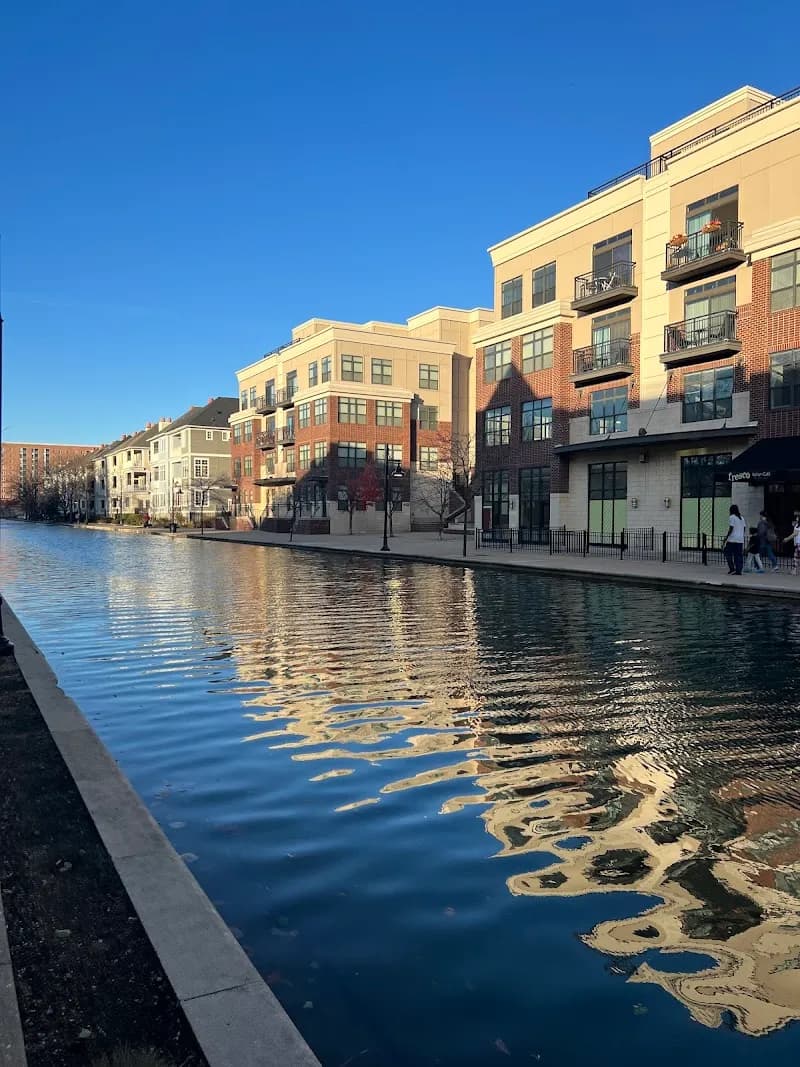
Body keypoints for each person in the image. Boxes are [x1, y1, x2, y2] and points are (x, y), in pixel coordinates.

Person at [722, 504, 746, 575]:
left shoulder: (732, 517)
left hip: (732, 539)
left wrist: (726, 537)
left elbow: (731, 528)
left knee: (727, 553)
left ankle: (732, 568)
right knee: (738, 555)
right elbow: (744, 528)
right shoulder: (742, 518)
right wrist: (741, 534)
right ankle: (739, 570)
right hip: (740, 539)